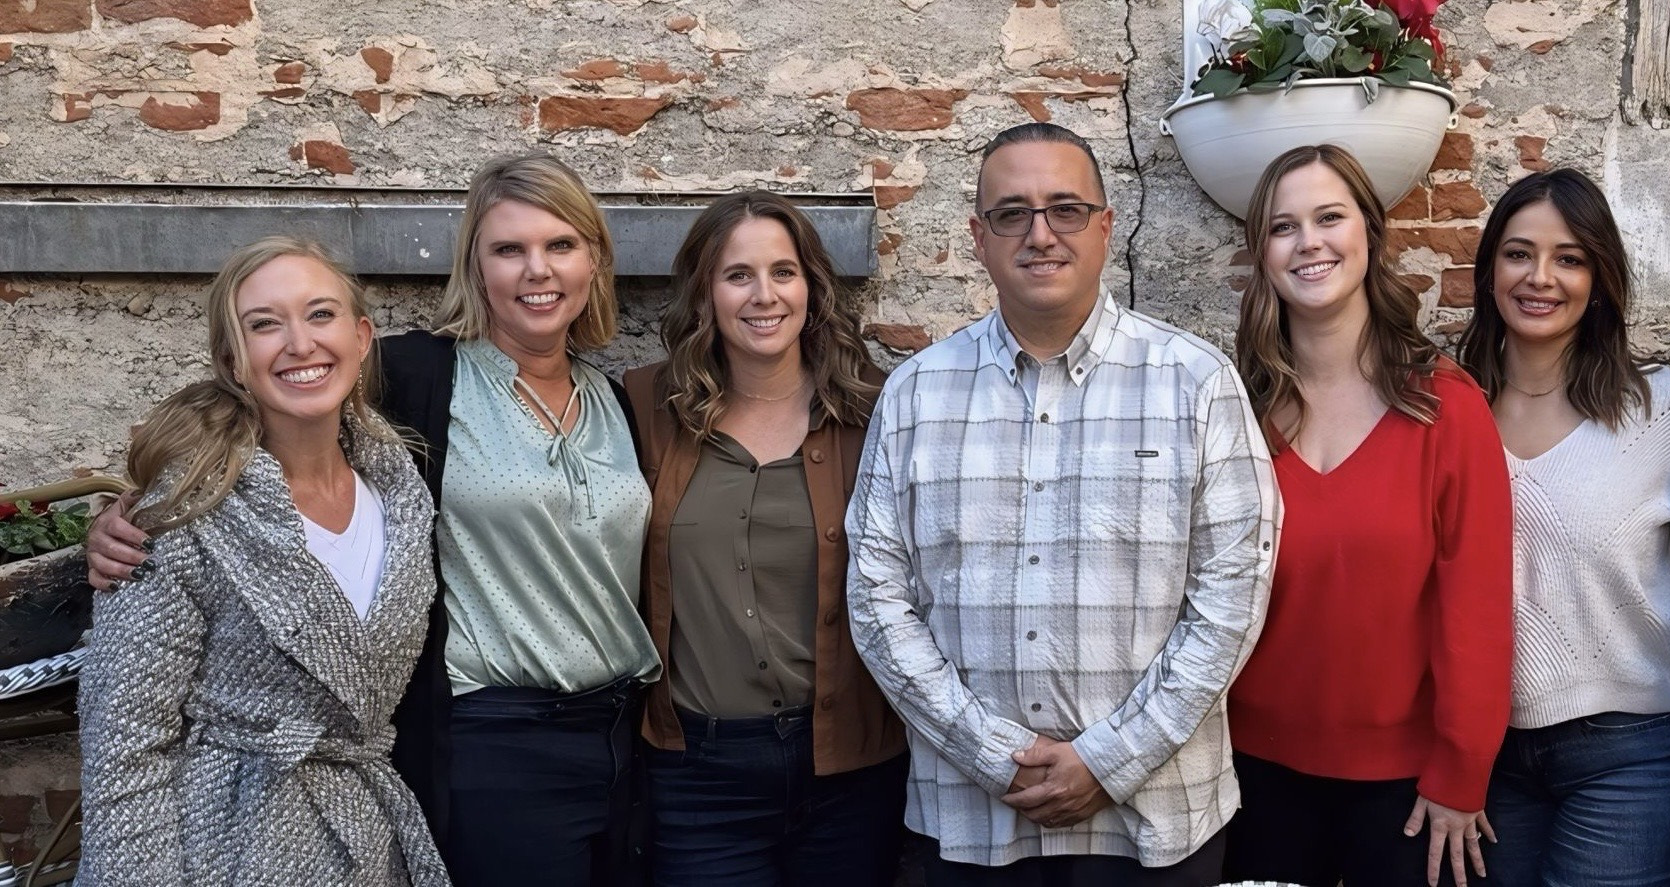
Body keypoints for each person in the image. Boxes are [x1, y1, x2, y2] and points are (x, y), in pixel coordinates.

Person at [86, 154, 659, 886]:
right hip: (493, 745)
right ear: (476, 268)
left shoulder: (620, 402)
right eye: (508, 249)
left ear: (594, 260)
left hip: (624, 740)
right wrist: (133, 511)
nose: (536, 270)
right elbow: (260, 399)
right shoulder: (418, 376)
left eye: (560, 245)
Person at [844, 121, 1281, 887]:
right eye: (1012, 213)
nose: (1040, 234)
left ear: (1105, 227)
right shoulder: (917, 394)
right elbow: (877, 598)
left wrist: (1108, 759)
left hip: (1155, 821)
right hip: (973, 821)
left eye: (1065, 209)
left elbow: (1232, 598)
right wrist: (992, 754)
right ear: (979, 237)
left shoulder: (1195, 384)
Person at [78, 238, 449, 886]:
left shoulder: (401, 494)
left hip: (368, 842)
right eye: (265, 324)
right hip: (225, 848)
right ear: (234, 360)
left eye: (320, 314)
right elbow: (124, 745)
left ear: (362, 338)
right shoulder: (184, 515)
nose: (300, 342)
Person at [1219, 143, 1513, 887]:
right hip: (1250, 776)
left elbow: (1476, 613)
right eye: (1285, 227)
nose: (1309, 241)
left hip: (1410, 791)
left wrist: (1460, 773)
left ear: (1370, 236)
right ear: (1262, 252)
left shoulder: (1447, 409)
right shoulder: (1230, 411)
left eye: (1329, 217)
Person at [620, 190, 908, 885]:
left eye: (783, 271)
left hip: (851, 768)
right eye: (737, 274)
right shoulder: (642, 408)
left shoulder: (880, 411)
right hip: (698, 775)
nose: (763, 295)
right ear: (704, 292)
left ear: (812, 286)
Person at [1454, 168, 1670, 887]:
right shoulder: (1445, 406)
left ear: (1600, 277)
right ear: (1490, 267)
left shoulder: (1662, 410)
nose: (1541, 277)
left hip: (1631, 751)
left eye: (1569, 258)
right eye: (1519, 253)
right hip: (1486, 758)